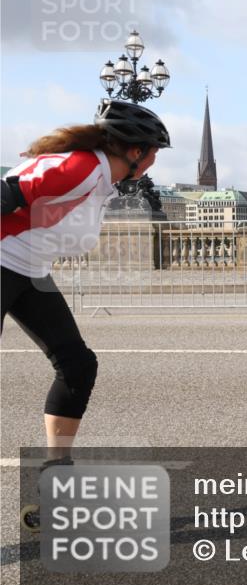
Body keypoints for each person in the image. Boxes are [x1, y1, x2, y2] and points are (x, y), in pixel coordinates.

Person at [1, 100, 170, 471]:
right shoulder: (83, 168)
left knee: (78, 366)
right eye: (155, 152)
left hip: (28, 271)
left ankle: (57, 468)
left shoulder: (97, 174)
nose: (156, 161)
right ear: (136, 151)